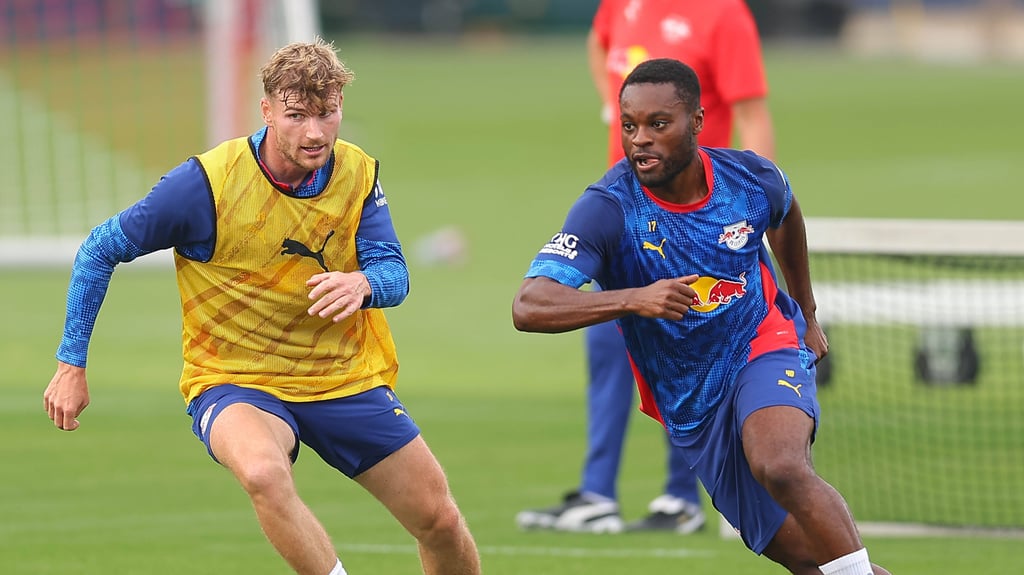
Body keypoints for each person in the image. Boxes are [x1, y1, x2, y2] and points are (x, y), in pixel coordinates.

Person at [43, 38, 481, 575]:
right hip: (236, 378)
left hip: (343, 376)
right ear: (267, 110)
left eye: (327, 114)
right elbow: (99, 249)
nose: (315, 133)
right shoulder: (205, 184)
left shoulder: (357, 173)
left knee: (437, 519)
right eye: (297, 116)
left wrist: (363, 285)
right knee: (262, 473)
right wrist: (71, 363)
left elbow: (395, 273)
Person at [512, 58, 890, 575]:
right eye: (629, 126)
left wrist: (805, 312)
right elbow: (529, 304)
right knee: (812, 561)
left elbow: (786, 214)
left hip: (762, 345)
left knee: (779, 464)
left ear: (696, 121)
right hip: (692, 406)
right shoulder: (608, 208)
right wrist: (633, 298)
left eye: (657, 124)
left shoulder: (749, 178)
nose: (640, 139)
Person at [516, 0, 774, 534]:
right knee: (605, 340)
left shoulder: (723, 15)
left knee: (692, 350)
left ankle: (683, 498)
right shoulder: (620, 6)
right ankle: (597, 494)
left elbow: (752, 113)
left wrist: (750, 208)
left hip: (698, 220)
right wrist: (611, 111)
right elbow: (597, 40)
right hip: (629, 212)